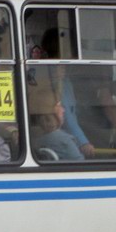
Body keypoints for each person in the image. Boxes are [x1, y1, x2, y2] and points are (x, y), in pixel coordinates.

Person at [39, 29, 97, 158]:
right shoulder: (56, 78)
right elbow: (68, 116)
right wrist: (83, 142)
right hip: (60, 138)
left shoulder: (61, 76)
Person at [28, 82, 86, 161]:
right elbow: (81, 168)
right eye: (59, 105)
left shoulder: (34, 139)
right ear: (48, 113)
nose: (63, 110)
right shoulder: (63, 141)